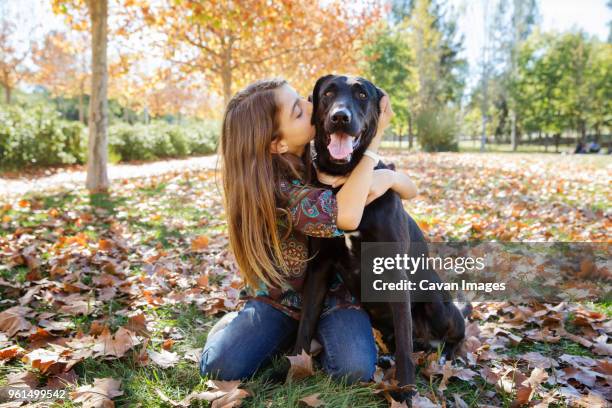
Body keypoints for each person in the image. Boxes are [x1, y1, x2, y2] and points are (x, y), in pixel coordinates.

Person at [199, 78, 417, 384]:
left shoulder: (324, 157)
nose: (311, 107)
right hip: (282, 302)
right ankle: (240, 327)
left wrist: (389, 178)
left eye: (304, 99)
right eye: (298, 111)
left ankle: (315, 339)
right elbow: (347, 215)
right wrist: (376, 140)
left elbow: (408, 187)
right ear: (278, 144)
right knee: (220, 366)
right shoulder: (278, 189)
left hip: (334, 297)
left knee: (353, 369)